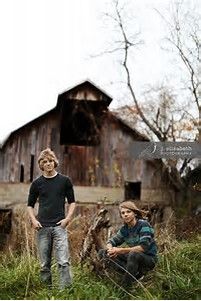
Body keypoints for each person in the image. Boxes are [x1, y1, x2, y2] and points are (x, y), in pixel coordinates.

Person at [27, 148, 76, 290]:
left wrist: (67, 219)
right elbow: (29, 205)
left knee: (63, 261)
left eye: (50, 161)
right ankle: (46, 292)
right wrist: (33, 220)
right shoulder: (37, 184)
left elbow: (72, 202)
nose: (48, 163)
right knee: (44, 264)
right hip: (42, 227)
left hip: (59, 226)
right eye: (44, 161)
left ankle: (65, 292)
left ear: (55, 162)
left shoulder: (65, 181)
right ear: (41, 165)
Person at [98, 200, 157, 288]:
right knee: (103, 253)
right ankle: (135, 274)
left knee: (133, 254)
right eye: (123, 213)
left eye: (128, 212)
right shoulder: (125, 229)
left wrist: (120, 250)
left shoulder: (143, 225)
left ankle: (125, 287)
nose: (125, 214)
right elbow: (111, 241)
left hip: (148, 259)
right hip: (132, 259)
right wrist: (111, 250)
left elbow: (143, 248)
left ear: (135, 213)